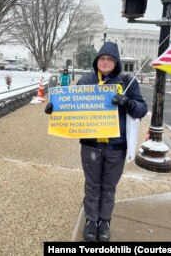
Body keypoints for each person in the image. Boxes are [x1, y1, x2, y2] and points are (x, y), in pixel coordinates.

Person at [45, 42, 148, 242]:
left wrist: (127, 102)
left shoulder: (127, 82)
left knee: (109, 187)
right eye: (103, 58)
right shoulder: (86, 80)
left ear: (116, 62)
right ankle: (91, 220)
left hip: (116, 146)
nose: (106, 62)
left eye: (110, 59)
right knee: (92, 185)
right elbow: (71, 105)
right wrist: (54, 109)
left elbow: (142, 109)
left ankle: (105, 221)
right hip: (91, 144)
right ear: (97, 61)